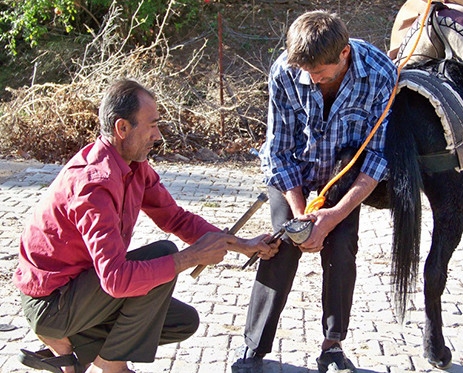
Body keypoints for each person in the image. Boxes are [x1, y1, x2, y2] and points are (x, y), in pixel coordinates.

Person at [13, 79, 280, 373]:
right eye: (151, 125)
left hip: (84, 290)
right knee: (162, 256)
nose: (158, 135)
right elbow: (115, 280)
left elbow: (176, 218)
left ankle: (71, 351)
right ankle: (110, 365)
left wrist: (243, 245)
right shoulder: (94, 185)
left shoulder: (134, 165)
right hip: (53, 303)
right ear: (122, 128)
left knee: (181, 322)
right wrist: (190, 258)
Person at [232, 11, 397, 373]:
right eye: (307, 72)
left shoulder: (381, 75)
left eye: (320, 73)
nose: (313, 79)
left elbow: (378, 157)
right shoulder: (285, 72)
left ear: (344, 54)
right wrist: (302, 216)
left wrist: (334, 216)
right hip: (295, 174)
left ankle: (332, 345)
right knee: (280, 246)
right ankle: (253, 348)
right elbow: (278, 150)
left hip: (342, 177)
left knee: (341, 247)